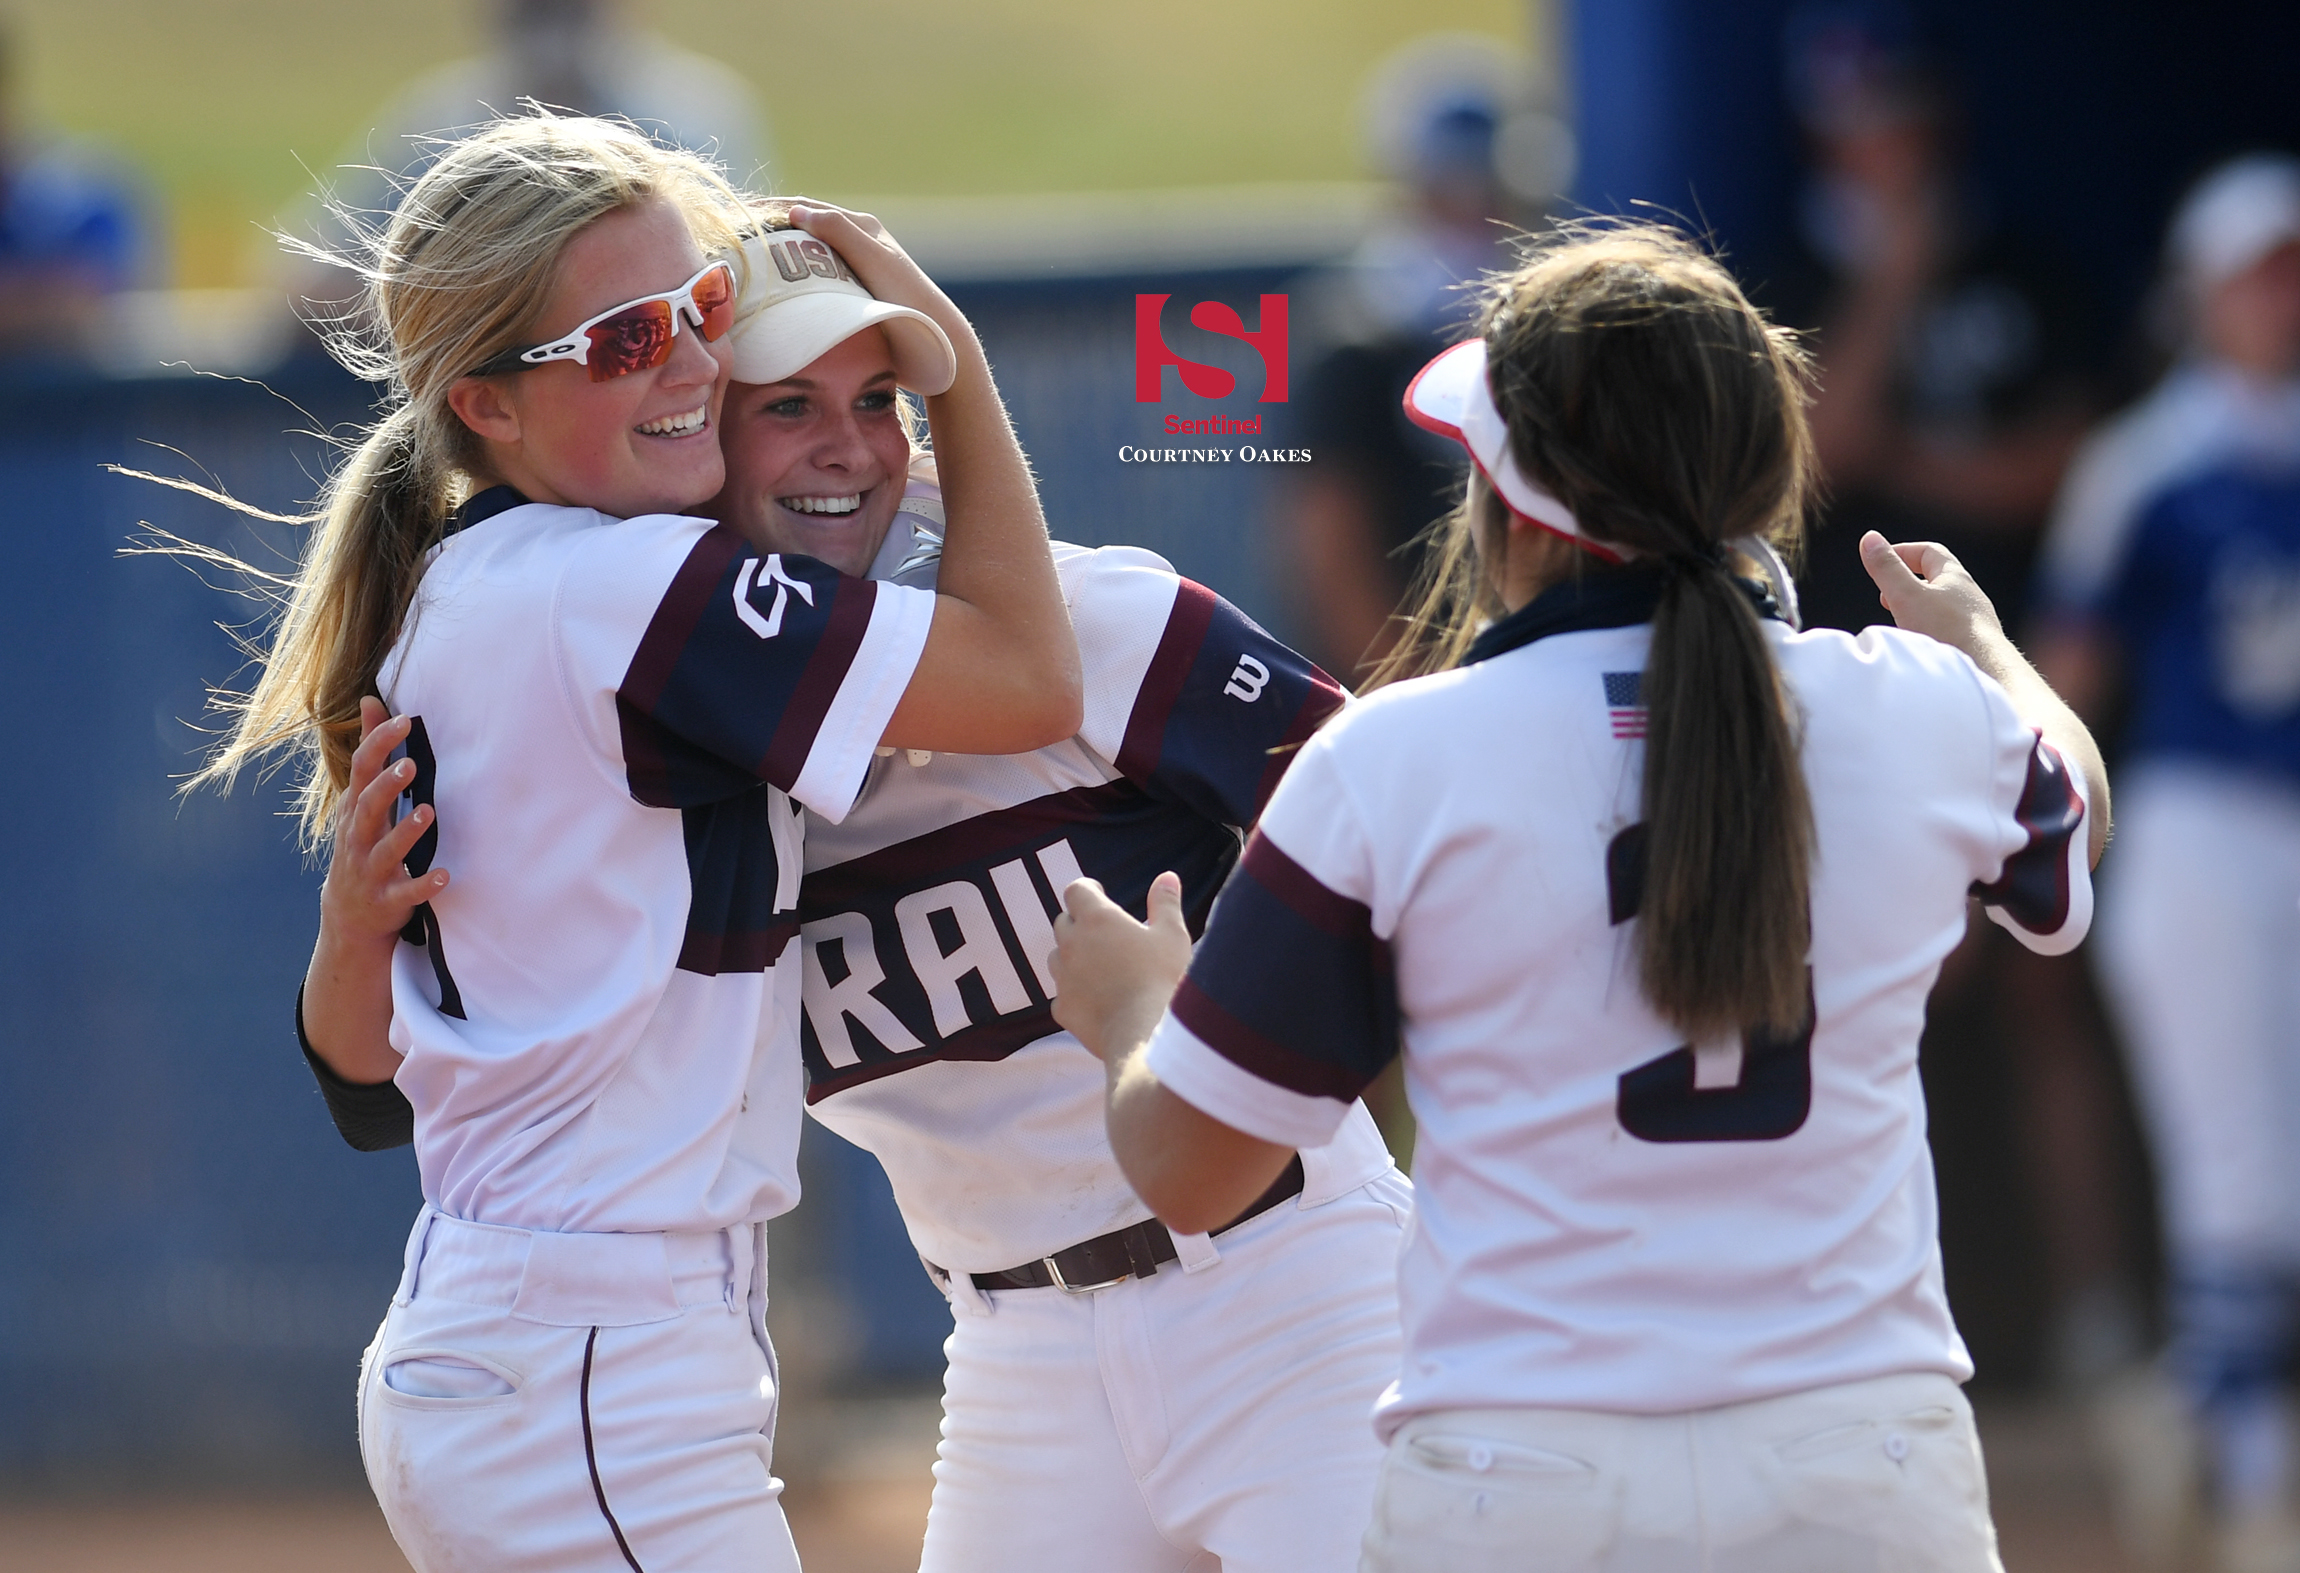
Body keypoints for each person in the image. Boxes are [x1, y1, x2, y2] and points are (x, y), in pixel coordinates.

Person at [311, 210, 1413, 1573]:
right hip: (1016, 1349)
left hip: (1289, 1291)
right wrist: (354, 929)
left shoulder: (1095, 622)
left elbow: (1411, 832)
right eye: (786, 405)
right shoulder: (672, 753)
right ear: (698, 434)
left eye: (885, 398)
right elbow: (376, 1079)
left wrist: (1259, 1026)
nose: (851, 443)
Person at [1051, 224, 2110, 1572]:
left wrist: (1133, 1010)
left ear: (1513, 497)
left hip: (1522, 1477)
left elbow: (1192, 1171)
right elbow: (2067, 834)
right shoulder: (1918, 711)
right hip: (1864, 1468)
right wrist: (1988, 650)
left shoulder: (1392, 756)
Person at [204, 114, 1078, 1572]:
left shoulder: (468, 583)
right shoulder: (623, 586)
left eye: (702, 310)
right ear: (482, 402)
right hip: (590, 1358)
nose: (686, 363)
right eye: (621, 341)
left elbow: (371, 1093)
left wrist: (350, 934)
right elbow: (1028, 680)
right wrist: (959, 372)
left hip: (532, 1341)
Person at [2036, 152, 2300, 1570]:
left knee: (2281, 1179)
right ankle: (2255, 1483)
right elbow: (2068, 681)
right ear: (2204, 295)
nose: (2284, 297)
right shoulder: (2152, 461)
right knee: (2237, 1169)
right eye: (2262, 271)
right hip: (2199, 825)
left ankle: (2197, 1411)